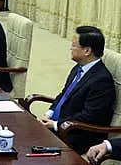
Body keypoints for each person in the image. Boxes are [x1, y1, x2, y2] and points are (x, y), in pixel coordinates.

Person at [38, 26, 115, 154]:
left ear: (87, 51)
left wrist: (56, 124)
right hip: (60, 125)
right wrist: (49, 114)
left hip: (77, 135)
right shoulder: (78, 68)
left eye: (74, 45)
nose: (70, 48)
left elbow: (88, 116)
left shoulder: (101, 81)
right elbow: (64, 95)